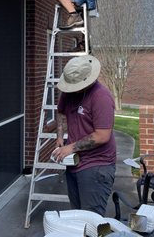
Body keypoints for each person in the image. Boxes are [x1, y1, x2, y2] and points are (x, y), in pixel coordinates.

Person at [51, 55, 116, 216]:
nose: (71, 90)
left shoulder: (101, 97)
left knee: (91, 217)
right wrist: (60, 137)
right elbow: (61, 112)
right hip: (74, 163)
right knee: (77, 215)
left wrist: (70, 147)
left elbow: (102, 135)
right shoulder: (69, 91)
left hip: (97, 165)